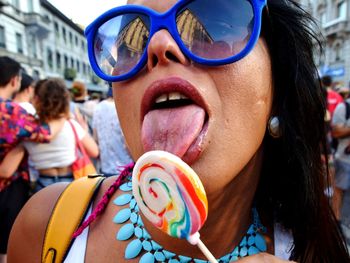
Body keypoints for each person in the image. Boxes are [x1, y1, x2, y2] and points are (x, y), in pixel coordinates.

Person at [8, 1, 350, 263]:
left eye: (215, 24)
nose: (158, 45)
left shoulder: (311, 248)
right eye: (132, 40)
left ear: (278, 89)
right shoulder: (46, 224)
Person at [0, 57, 64, 263]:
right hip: (9, 188)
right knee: (7, 244)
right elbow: (45, 133)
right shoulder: (10, 111)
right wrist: (64, 115)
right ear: (14, 81)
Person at [20, 78, 99, 192]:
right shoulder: (70, 124)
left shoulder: (30, 130)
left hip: (42, 185)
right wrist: (84, 129)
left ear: (37, 99)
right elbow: (94, 151)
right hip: (70, 182)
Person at [92, 86, 133, 176]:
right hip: (125, 168)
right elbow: (128, 143)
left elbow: (95, 138)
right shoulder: (123, 106)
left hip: (105, 167)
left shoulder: (97, 108)